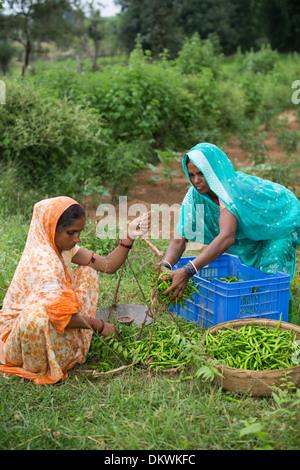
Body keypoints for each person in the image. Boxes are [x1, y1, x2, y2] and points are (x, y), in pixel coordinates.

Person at [0, 196, 150, 384]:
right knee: (36, 316)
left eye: (79, 232)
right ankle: (41, 364)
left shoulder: (59, 246)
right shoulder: (44, 261)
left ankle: (70, 346)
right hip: (18, 341)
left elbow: (107, 265)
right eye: (71, 233)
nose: (77, 238)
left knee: (87, 272)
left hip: (53, 317)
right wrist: (101, 326)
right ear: (51, 228)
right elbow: (60, 316)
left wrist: (129, 236)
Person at [161, 143, 300, 324]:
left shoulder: (229, 190)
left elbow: (226, 237)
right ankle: (255, 318)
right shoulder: (194, 197)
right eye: (192, 175)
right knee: (253, 277)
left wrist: (188, 270)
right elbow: (180, 241)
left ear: (213, 170)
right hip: (250, 233)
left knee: (271, 277)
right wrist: (166, 264)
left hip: (274, 224)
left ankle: (283, 324)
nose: (196, 180)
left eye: (201, 173)